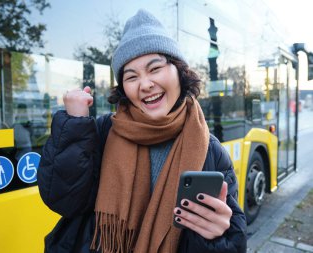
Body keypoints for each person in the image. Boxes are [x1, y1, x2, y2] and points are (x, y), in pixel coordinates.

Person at [37, 9, 247, 253]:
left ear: (179, 72)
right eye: (131, 76)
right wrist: (73, 123)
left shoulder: (210, 151)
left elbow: (232, 241)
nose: (145, 84)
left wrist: (218, 235)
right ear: (124, 88)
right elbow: (63, 200)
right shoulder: (102, 132)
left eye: (155, 68)